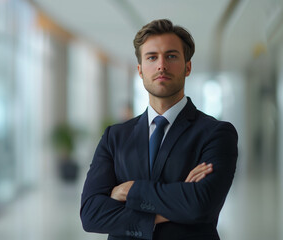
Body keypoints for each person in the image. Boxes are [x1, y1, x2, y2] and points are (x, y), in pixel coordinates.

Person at [80, 19, 238, 240]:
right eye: (152, 57)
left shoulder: (216, 134)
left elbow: (201, 205)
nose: (161, 65)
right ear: (140, 70)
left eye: (171, 56)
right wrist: (178, 199)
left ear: (188, 67)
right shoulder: (114, 137)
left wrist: (129, 190)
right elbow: (91, 214)